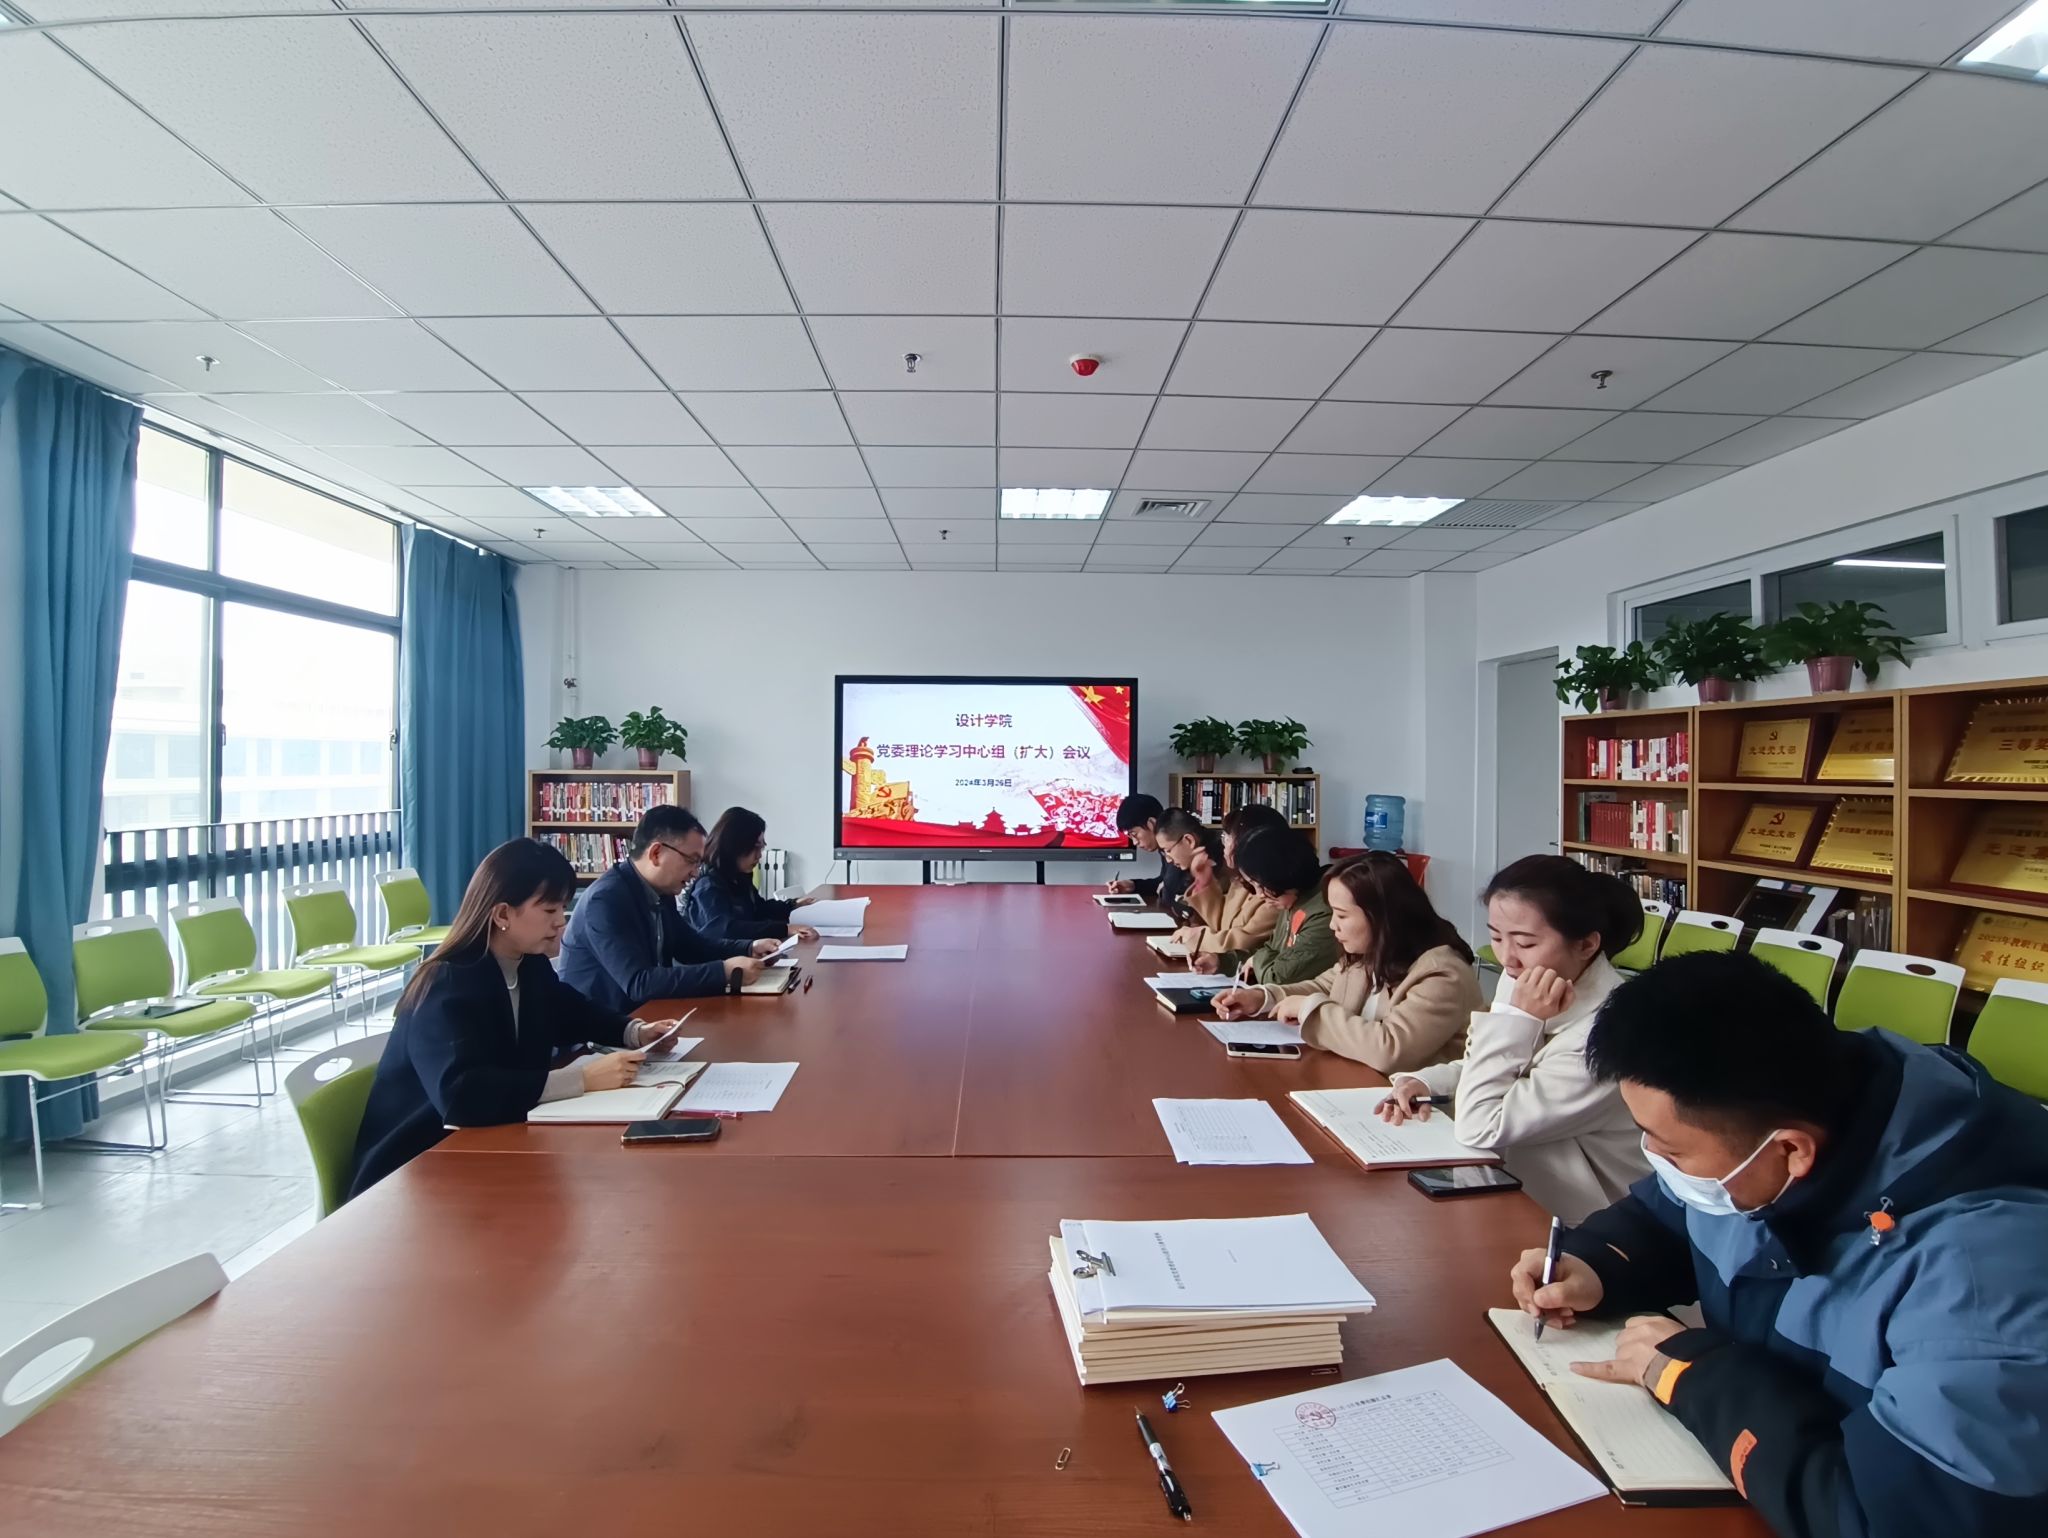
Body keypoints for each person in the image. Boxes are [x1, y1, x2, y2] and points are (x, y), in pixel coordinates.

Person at [1509, 952, 2048, 1538]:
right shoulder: (1779, 1118)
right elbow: (1669, 1216)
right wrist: (1597, 1263)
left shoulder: (1986, 1282)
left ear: (1792, 1151)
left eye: (1671, 1150)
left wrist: (1697, 1378)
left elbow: (1893, 1521)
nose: (1655, 1160)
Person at [347, 839, 678, 1198]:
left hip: (489, 1144)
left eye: (563, 908)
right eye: (549, 909)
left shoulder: (528, 963)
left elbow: (570, 1011)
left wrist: (634, 1031)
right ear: (502, 915)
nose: (561, 922)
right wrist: (582, 1079)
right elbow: (461, 1096)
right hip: (415, 1169)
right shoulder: (445, 984)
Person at [1378, 854, 1645, 1221]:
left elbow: (1481, 1126)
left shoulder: (1611, 1031)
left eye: (1526, 943)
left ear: (1586, 945)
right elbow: (1493, 1065)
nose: (1507, 958)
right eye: (1495, 937)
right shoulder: (1524, 978)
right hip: (1517, 1183)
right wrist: (1427, 1081)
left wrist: (1518, 1017)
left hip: (1581, 1215)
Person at [1213, 853, 1481, 1075]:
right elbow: (1323, 986)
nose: (1332, 925)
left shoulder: (1442, 973)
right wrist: (1262, 997)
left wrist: (1309, 1011)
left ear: (1382, 916)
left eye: (1341, 916)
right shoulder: (1372, 952)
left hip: (1421, 1111)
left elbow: (1390, 1050)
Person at [557, 805, 780, 1012]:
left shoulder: (660, 892)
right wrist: (724, 972)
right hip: (607, 1028)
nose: (695, 872)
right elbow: (639, 982)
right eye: (691, 860)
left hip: (648, 1017)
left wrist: (749, 948)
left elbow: (691, 947)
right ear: (656, 853)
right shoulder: (605, 900)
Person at [1191, 825, 1337, 985]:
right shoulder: (1291, 897)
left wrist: (1256, 960)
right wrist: (1222, 961)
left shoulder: (1325, 910)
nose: (1259, 894)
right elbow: (1271, 950)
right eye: (1253, 884)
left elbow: (1278, 977)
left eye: (1261, 885)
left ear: (1282, 874)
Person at [685, 806, 820, 943]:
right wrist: (784, 929)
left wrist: (792, 905)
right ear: (734, 845)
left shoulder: (739, 877)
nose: (759, 855)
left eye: (761, 848)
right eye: (755, 847)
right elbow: (724, 930)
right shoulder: (708, 885)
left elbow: (759, 909)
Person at [1160, 809, 1276, 958]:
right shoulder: (1240, 881)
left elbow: (1241, 944)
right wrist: (1204, 883)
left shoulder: (1273, 894)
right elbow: (1221, 925)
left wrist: (1197, 937)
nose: (1224, 847)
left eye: (1227, 838)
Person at [1104, 793, 1190, 911]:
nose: (1135, 842)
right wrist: (1133, 885)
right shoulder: (1166, 846)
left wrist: (1165, 889)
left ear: (1152, 824)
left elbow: (1169, 892)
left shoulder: (1178, 846)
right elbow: (1163, 882)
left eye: (1134, 834)